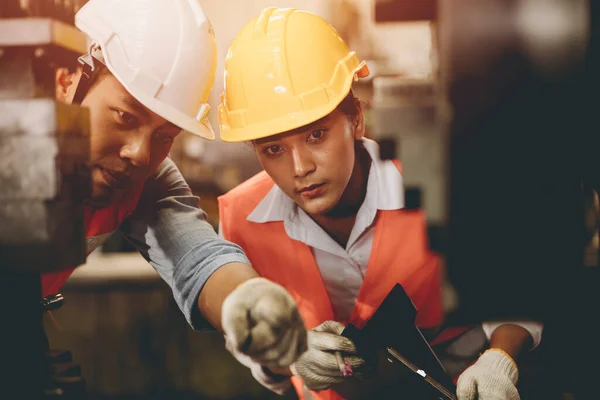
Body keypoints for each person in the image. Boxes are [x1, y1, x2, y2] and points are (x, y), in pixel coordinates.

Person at [217, 7, 543, 400]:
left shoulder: (438, 177)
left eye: (316, 135)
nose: (300, 167)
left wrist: (499, 359)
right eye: (273, 149)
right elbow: (256, 351)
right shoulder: (242, 224)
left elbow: (518, 286)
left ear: (356, 119)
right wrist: (290, 354)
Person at [43, 0, 307, 373]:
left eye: (165, 136)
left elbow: (195, 254)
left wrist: (246, 301)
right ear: (66, 80)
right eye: (125, 116)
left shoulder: (141, 181)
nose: (140, 153)